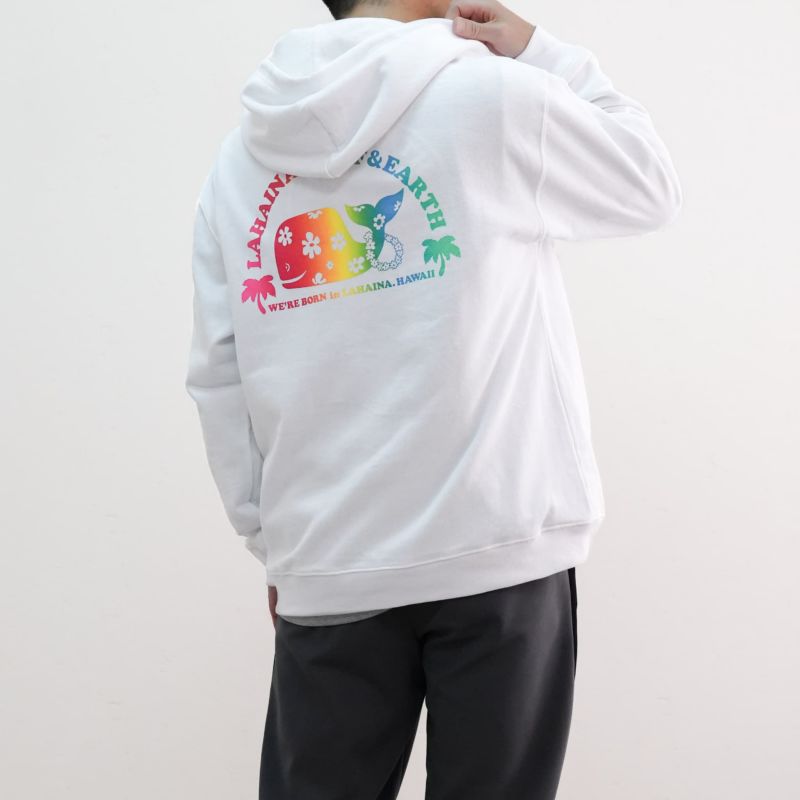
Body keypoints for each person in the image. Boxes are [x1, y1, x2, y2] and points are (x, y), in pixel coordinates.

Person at [184, 0, 681, 796]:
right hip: (498, 544)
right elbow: (648, 183)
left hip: (331, 558)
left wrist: (274, 543)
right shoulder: (494, 97)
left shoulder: (239, 161)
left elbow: (219, 375)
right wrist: (545, 52)